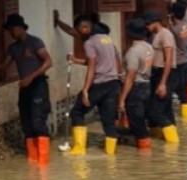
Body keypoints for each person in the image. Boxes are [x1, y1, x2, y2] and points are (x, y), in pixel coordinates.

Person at [57, 12, 122, 155]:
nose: (79, 34)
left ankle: (79, 149)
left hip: (99, 84)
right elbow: (102, 61)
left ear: (86, 27)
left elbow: (92, 66)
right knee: (108, 120)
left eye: (80, 30)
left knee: (77, 112)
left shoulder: (90, 42)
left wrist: (86, 89)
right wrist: (75, 60)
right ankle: (111, 154)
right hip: (113, 84)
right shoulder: (107, 40)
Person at [0, 14, 54, 164]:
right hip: (24, 88)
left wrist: (30, 77)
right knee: (26, 122)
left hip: (38, 85)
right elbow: (2, 66)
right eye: (8, 30)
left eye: (12, 29)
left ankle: (43, 162)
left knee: (38, 121)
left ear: (21, 28)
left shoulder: (35, 42)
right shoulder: (13, 48)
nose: (10, 33)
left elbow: (48, 62)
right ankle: (32, 161)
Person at [143, 10, 180, 145]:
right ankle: (169, 140)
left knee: (155, 110)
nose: (147, 27)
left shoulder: (165, 35)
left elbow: (168, 59)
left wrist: (163, 83)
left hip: (166, 73)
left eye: (148, 24)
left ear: (155, 23)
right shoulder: (155, 35)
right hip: (157, 73)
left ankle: (173, 140)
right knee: (166, 108)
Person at [118, 18, 155, 151]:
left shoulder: (133, 52)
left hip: (136, 89)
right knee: (140, 120)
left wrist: (122, 99)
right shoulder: (148, 47)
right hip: (147, 86)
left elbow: (131, 77)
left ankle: (145, 155)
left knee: (138, 124)